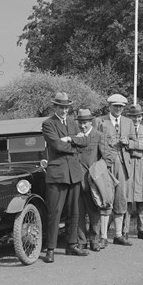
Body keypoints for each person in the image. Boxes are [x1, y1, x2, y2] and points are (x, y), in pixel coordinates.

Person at [42, 92, 89, 262]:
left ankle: (71, 245)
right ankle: (51, 249)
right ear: (55, 107)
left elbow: (85, 142)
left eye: (66, 107)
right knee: (55, 212)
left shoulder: (72, 123)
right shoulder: (48, 124)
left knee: (74, 211)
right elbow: (56, 145)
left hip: (74, 173)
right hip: (57, 175)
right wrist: (74, 143)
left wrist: (69, 138)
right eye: (61, 107)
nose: (64, 110)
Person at [95, 94, 135, 245]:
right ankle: (103, 236)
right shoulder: (99, 121)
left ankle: (118, 235)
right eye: (115, 106)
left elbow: (134, 140)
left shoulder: (128, 122)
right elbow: (94, 142)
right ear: (109, 107)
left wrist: (128, 142)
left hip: (123, 166)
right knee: (106, 199)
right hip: (106, 166)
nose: (118, 109)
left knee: (120, 199)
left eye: (121, 107)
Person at [75, 109, 112, 252]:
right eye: (80, 123)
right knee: (78, 213)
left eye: (85, 123)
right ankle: (81, 242)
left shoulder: (98, 136)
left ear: (91, 122)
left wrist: (96, 171)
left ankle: (94, 241)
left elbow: (108, 157)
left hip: (93, 182)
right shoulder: (75, 137)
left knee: (94, 212)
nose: (83, 126)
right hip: (77, 181)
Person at [125, 104, 143, 241]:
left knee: (142, 200)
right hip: (130, 167)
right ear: (130, 117)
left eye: (138, 116)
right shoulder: (126, 129)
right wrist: (140, 147)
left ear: (141, 117)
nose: (136, 119)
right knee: (128, 200)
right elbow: (124, 145)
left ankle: (142, 230)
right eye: (133, 116)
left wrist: (133, 145)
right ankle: (124, 230)